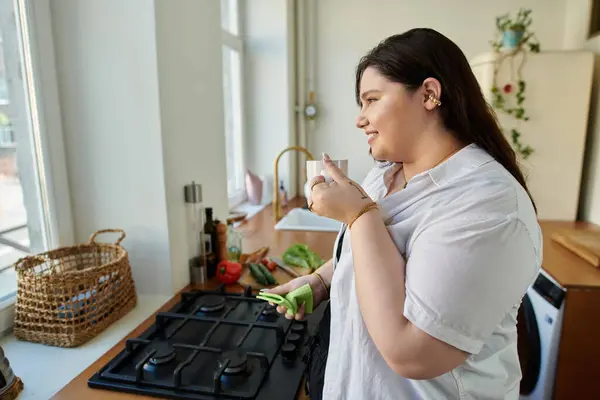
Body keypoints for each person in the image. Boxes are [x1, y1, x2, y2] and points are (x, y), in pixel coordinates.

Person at [265, 28, 542, 400]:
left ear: (429, 94)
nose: (360, 119)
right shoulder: (386, 175)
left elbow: (412, 353)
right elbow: (384, 255)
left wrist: (358, 214)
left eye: (371, 100)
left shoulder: (489, 206)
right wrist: (321, 282)